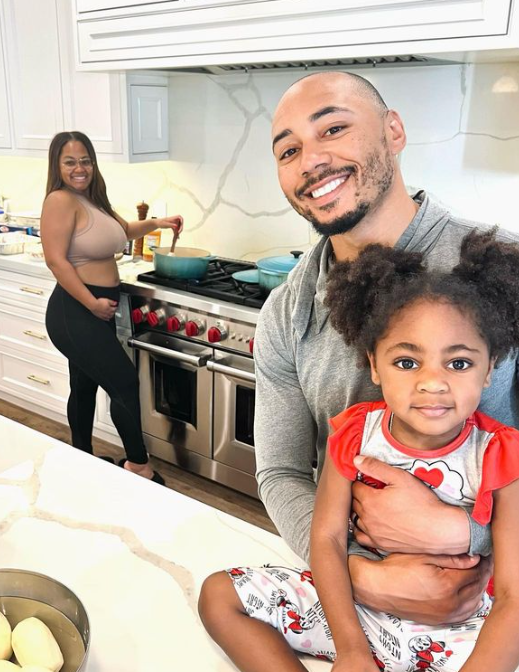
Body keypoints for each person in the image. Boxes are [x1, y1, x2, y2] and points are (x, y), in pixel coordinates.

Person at [252, 71, 519, 624]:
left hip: (492, 614)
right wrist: (357, 573)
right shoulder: (287, 309)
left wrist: (470, 533)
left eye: (334, 129)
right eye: (289, 150)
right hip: (352, 607)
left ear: (393, 130)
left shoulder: (505, 273)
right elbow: (280, 472)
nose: (311, 161)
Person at [198, 229, 519, 671]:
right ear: (374, 364)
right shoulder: (352, 434)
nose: (432, 382)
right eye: (407, 362)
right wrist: (350, 649)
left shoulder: (502, 454)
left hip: (453, 629)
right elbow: (327, 539)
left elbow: (514, 598)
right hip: (350, 609)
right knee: (219, 595)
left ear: (489, 370)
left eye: (459, 362)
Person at [42, 131, 183, 484]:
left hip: (95, 308)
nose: (80, 168)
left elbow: (122, 232)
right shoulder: (60, 200)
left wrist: (157, 223)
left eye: (85, 160)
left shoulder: (93, 199)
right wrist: (91, 303)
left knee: (85, 385)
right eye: (70, 161)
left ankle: (80, 457)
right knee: (124, 382)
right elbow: (56, 261)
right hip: (75, 309)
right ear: (57, 166)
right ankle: (138, 464)